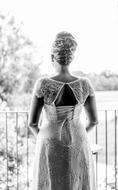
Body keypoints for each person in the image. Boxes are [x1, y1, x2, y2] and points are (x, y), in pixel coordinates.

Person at [28, 31, 98, 190]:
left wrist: (45, 139)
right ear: (71, 58)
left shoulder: (43, 84)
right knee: (78, 181)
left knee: (51, 182)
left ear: (52, 57)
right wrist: (80, 136)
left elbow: (32, 123)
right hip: (79, 140)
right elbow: (94, 121)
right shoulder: (85, 84)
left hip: (49, 141)